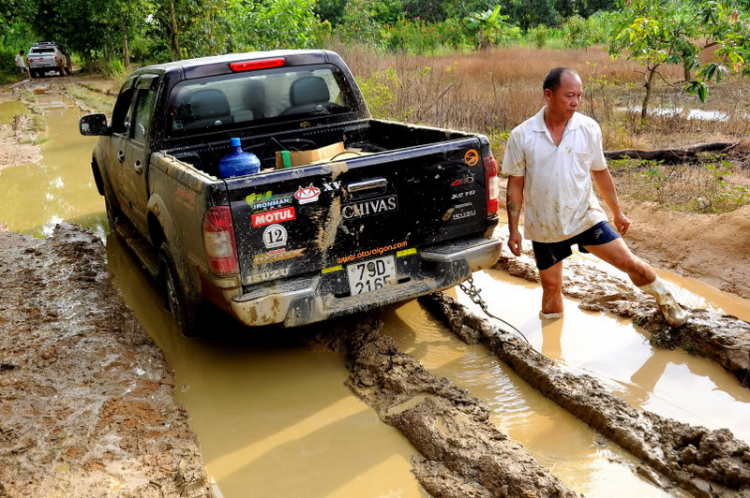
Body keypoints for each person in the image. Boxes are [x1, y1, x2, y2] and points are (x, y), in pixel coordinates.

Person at [501, 67, 688, 327]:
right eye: (569, 95)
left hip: (585, 217)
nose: (575, 102)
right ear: (548, 94)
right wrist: (513, 230)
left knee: (629, 262)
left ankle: (668, 301)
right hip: (545, 224)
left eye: (579, 95)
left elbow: (600, 172)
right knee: (552, 288)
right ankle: (552, 346)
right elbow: (516, 185)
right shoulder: (522, 135)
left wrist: (617, 212)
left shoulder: (588, 128)